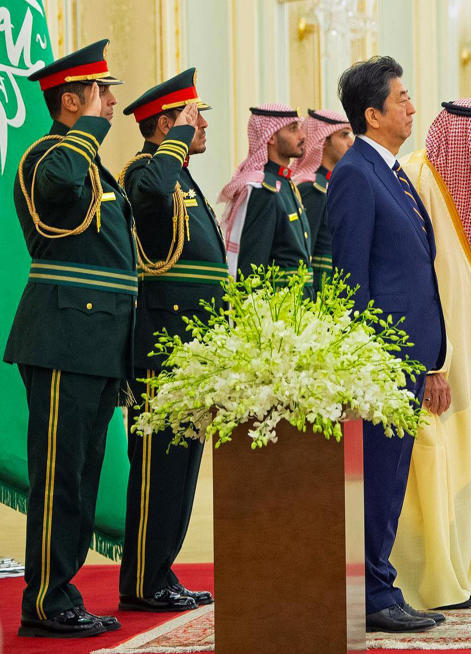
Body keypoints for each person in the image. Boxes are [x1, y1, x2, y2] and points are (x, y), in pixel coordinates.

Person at [7, 39, 131, 638]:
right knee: (59, 476)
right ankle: (46, 602)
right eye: (102, 93)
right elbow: (56, 191)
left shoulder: (87, 162)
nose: (110, 104)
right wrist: (83, 127)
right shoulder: (47, 156)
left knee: (80, 475)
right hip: (62, 336)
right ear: (74, 99)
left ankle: (63, 592)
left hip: (97, 341)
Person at [327, 56, 448, 633]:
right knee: (378, 474)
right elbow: (350, 276)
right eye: (401, 98)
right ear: (372, 115)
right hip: (383, 358)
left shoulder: (392, 171)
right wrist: (370, 360)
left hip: (409, 356)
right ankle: (372, 594)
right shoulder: (356, 173)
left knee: (392, 473)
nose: (411, 107)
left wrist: (430, 358)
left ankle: (379, 582)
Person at [392, 99, 471, 610]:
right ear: (463, 142)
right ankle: (428, 578)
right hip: (430, 357)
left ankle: (455, 566)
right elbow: (417, 282)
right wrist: (434, 363)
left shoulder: (456, 189)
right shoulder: (419, 179)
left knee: (455, 455)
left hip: (455, 352)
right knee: (430, 458)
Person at [117, 68, 223, 613]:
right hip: (162, 347)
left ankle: (159, 571)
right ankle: (140, 580)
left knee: (181, 468)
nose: (202, 124)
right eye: (191, 116)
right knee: (158, 468)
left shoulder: (181, 177)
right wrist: (173, 143)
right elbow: (152, 193)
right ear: (164, 124)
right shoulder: (145, 172)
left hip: (193, 346)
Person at [219, 104, 311, 288]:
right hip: (276, 309)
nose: (302, 136)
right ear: (271, 137)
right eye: (293, 129)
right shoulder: (262, 189)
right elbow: (252, 265)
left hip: (296, 308)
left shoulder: (285, 184)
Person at [289, 109, 353, 288]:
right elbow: (306, 251)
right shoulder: (311, 188)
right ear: (323, 140)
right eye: (344, 135)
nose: (351, 142)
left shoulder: (333, 184)